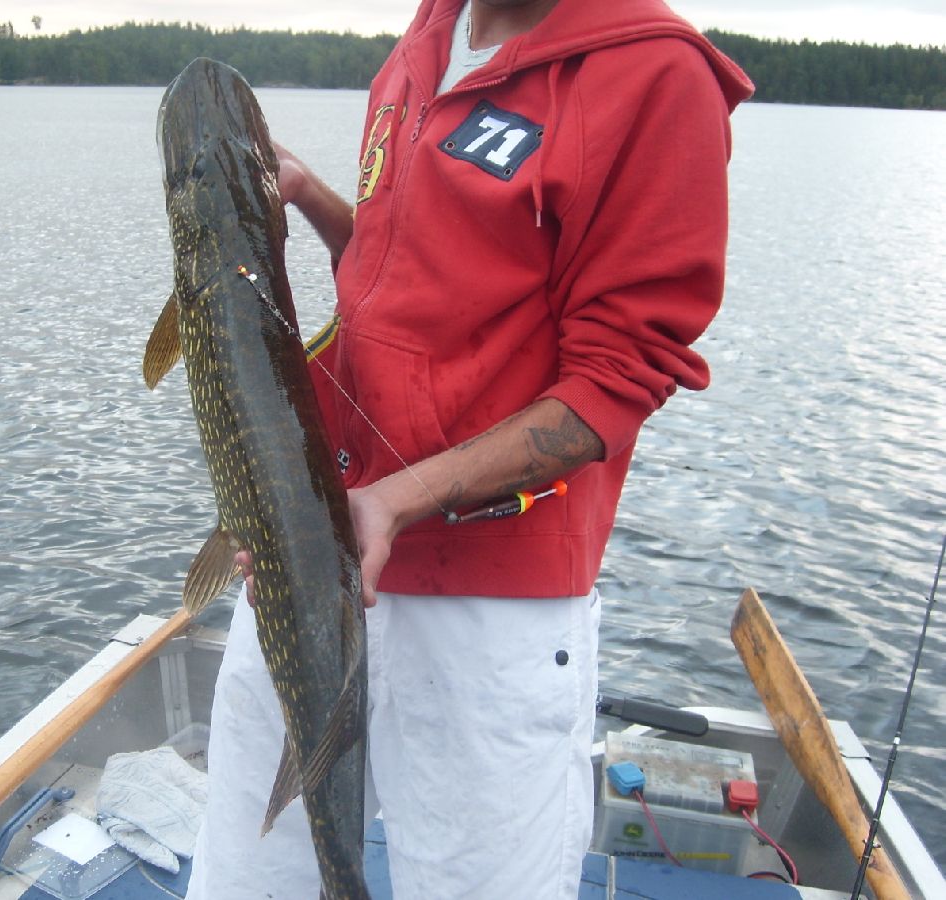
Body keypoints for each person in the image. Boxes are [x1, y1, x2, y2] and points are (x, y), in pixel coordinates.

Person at [186, 0, 754, 897]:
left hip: (488, 606)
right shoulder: (427, 37)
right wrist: (310, 196)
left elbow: (616, 383)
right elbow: (393, 275)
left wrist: (397, 501)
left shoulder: (652, 77)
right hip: (317, 548)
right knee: (250, 875)